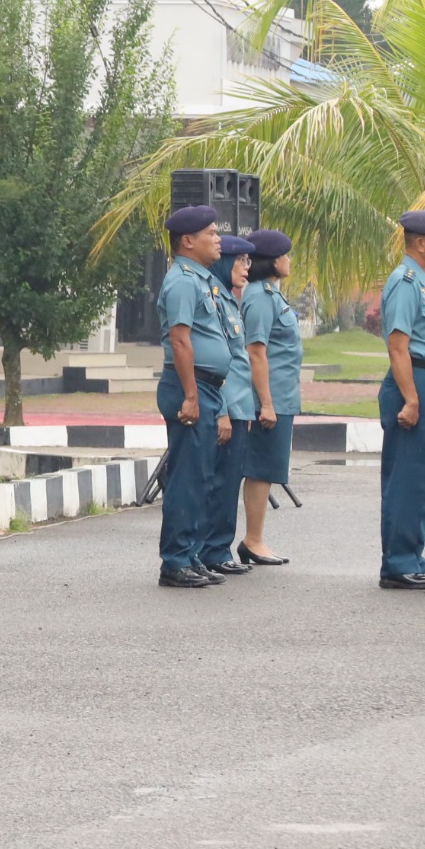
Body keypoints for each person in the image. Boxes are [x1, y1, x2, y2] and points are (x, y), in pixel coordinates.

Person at [154, 206, 235, 588]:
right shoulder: (184, 281)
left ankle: (190, 554)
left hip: (205, 386)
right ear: (188, 240)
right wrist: (190, 395)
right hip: (190, 386)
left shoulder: (201, 280)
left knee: (201, 476)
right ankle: (175, 561)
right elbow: (180, 338)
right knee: (187, 477)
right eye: (211, 233)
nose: (218, 239)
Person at [237, 228, 302, 566]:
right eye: (286, 255)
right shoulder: (261, 297)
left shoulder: (271, 294)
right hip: (270, 397)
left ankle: (256, 538)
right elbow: (256, 352)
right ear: (274, 261)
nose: (289, 260)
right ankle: (253, 539)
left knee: (267, 467)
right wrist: (266, 402)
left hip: (282, 394)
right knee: (261, 468)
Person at [197, 235, 259, 579]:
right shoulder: (215, 300)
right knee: (216, 483)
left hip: (238, 407)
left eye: (249, 262)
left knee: (228, 482)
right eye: (240, 261)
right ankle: (211, 549)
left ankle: (218, 548)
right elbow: (216, 364)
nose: (246, 268)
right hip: (225, 406)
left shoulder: (230, 301)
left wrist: (244, 410)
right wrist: (223, 410)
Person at [377, 211, 425, 588]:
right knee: (407, 477)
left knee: (420, 478)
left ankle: (412, 555)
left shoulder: (422, 281)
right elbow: (398, 346)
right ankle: (398, 563)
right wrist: (410, 399)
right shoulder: (406, 281)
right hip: (413, 379)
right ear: (422, 243)